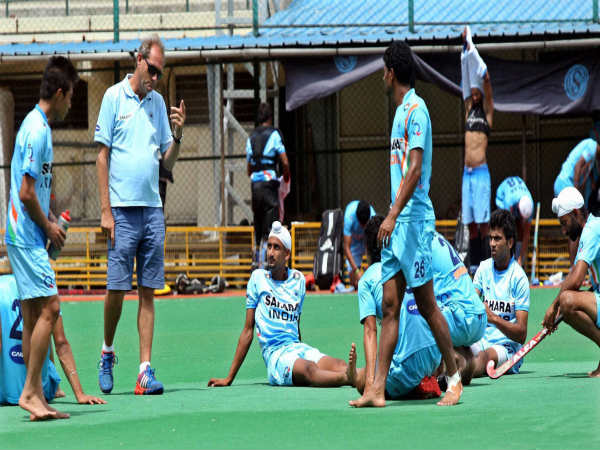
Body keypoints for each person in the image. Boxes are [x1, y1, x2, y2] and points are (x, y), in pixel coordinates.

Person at [350, 41, 461, 408]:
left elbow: (414, 170)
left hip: (412, 222)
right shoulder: (400, 113)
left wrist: (393, 214)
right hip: (398, 224)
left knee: (427, 305)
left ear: (392, 72)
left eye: (383, 70)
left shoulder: (417, 110)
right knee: (389, 305)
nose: (381, 76)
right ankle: (376, 389)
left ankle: (454, 379)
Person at [94, 35, 186, 395]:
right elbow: (102, 156)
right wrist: (106, 211)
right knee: (116, 290)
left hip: (152, 211)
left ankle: (144, 371)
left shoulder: (157, 103)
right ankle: (107, 351)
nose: (156, 78)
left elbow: (167, 163)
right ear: (139, 60)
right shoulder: (113, 97)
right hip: (120, 210)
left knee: (148, 292)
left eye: (161, 72)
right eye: (153, 70)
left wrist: (178, 136)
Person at [4, 56, 78, 420]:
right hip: (26, 237)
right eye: (71, 97)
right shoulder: (37, 130)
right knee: (51, 308)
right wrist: (47, 228)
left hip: (26, 232)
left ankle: (34, 396)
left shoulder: (37, 126)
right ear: (60, 93)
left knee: (34, 313)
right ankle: (31, 392)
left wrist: (50, 219)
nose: (71, 105)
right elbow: (26, 191)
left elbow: (34, 192)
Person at [351, 217, 486, 399]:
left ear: (367, 249)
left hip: (456, 316)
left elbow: (370, 331)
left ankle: (443, 373)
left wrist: (369, 385)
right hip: (476, 317)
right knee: (421, 317)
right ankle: (457, 363)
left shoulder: (410, 250)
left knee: (361, 377)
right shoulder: (419, 248)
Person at [208, 221, 354, 388]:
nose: (270, 252)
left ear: (287, 254)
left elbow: (295, 325)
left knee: (340, 364)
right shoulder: (257, 279)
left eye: (276, 247)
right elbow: (248, 331)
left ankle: (368, 378)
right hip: (276, 357)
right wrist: (229, 378)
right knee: (308, 369)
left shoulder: (298, 280)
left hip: (297, 348)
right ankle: (348, 378)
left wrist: (300, 352)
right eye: (269, 246)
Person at [0, 275, 105, 406]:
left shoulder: (2, 285)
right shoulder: (45, 287)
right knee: (44, 328)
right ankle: (56, 388)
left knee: (39, 328)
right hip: (44, 391)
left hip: (5, 391)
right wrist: (80, 394)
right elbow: (61, 343)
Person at [460, 209, 530, 381]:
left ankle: (454, 378)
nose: (492, 243)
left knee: (484, 357)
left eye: (497, 239)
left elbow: (521, 334)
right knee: (454, 348)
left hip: (506, 348)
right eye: (491, 238)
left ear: (510, 242)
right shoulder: (483, 268)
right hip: (481, 339)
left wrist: (493, 318)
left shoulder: (519, 278)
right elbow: (471, 302)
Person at [542, 187, 600, 377]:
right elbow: (574, 276)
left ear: (576, 213)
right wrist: (558, 310)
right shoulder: (591, 228)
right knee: (565, 304)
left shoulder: (591, 230)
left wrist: (553, 307)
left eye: (564, 223)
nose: (563, 230)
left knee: (566, 301)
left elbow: (575, 280)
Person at [460, 25, 494, 274]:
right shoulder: (468, 112)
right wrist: (465, 50)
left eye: (476, 92)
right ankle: (473, 267)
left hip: (481, 173)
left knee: (483, 224)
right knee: (470, 224)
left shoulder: (487, 114)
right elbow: (464, 82)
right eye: (471, 92)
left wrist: (472, 47)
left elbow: (486, 79)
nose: (473, 94)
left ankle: (486, 266)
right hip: (467, 174)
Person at [246, 102, 290, 268]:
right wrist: (286, 176)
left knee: (258, 228)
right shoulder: (274, 134)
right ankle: (269, 265)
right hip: (270, 186)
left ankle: (255, 263)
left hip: (255, 187)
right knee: (272, 229)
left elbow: (249, 169)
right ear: (270, 117)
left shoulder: (251, 137)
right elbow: (284, 161)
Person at [553, 138, 599, 262]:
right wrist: (576, 192)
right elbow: (578, 167)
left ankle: (576, 264)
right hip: (565, 183)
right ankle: (575, 265)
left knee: (575, 226)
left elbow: (587, 168)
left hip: (562, 182)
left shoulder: (593, 154)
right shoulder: (592, 146)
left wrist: (592, 182)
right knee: (575, 226)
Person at [495, 176, 534, 266]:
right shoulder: (508, 202)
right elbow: (506, 229)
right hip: (502, 195)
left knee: (520, 227)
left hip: (517, 193)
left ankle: (517, 258)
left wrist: (521, 258)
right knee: (507, 229)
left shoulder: (530, 206)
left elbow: (526, 234)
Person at [343, 200, 376, 288]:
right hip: (354, 241)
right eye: (361, 224)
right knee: (354, 281)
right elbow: (346, 247)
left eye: (365, 224)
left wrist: (371, 267)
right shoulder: (349, 217)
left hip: (366, 239)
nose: (363, 227)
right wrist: (356, 271)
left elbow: (371, 245)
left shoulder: (373, 216)